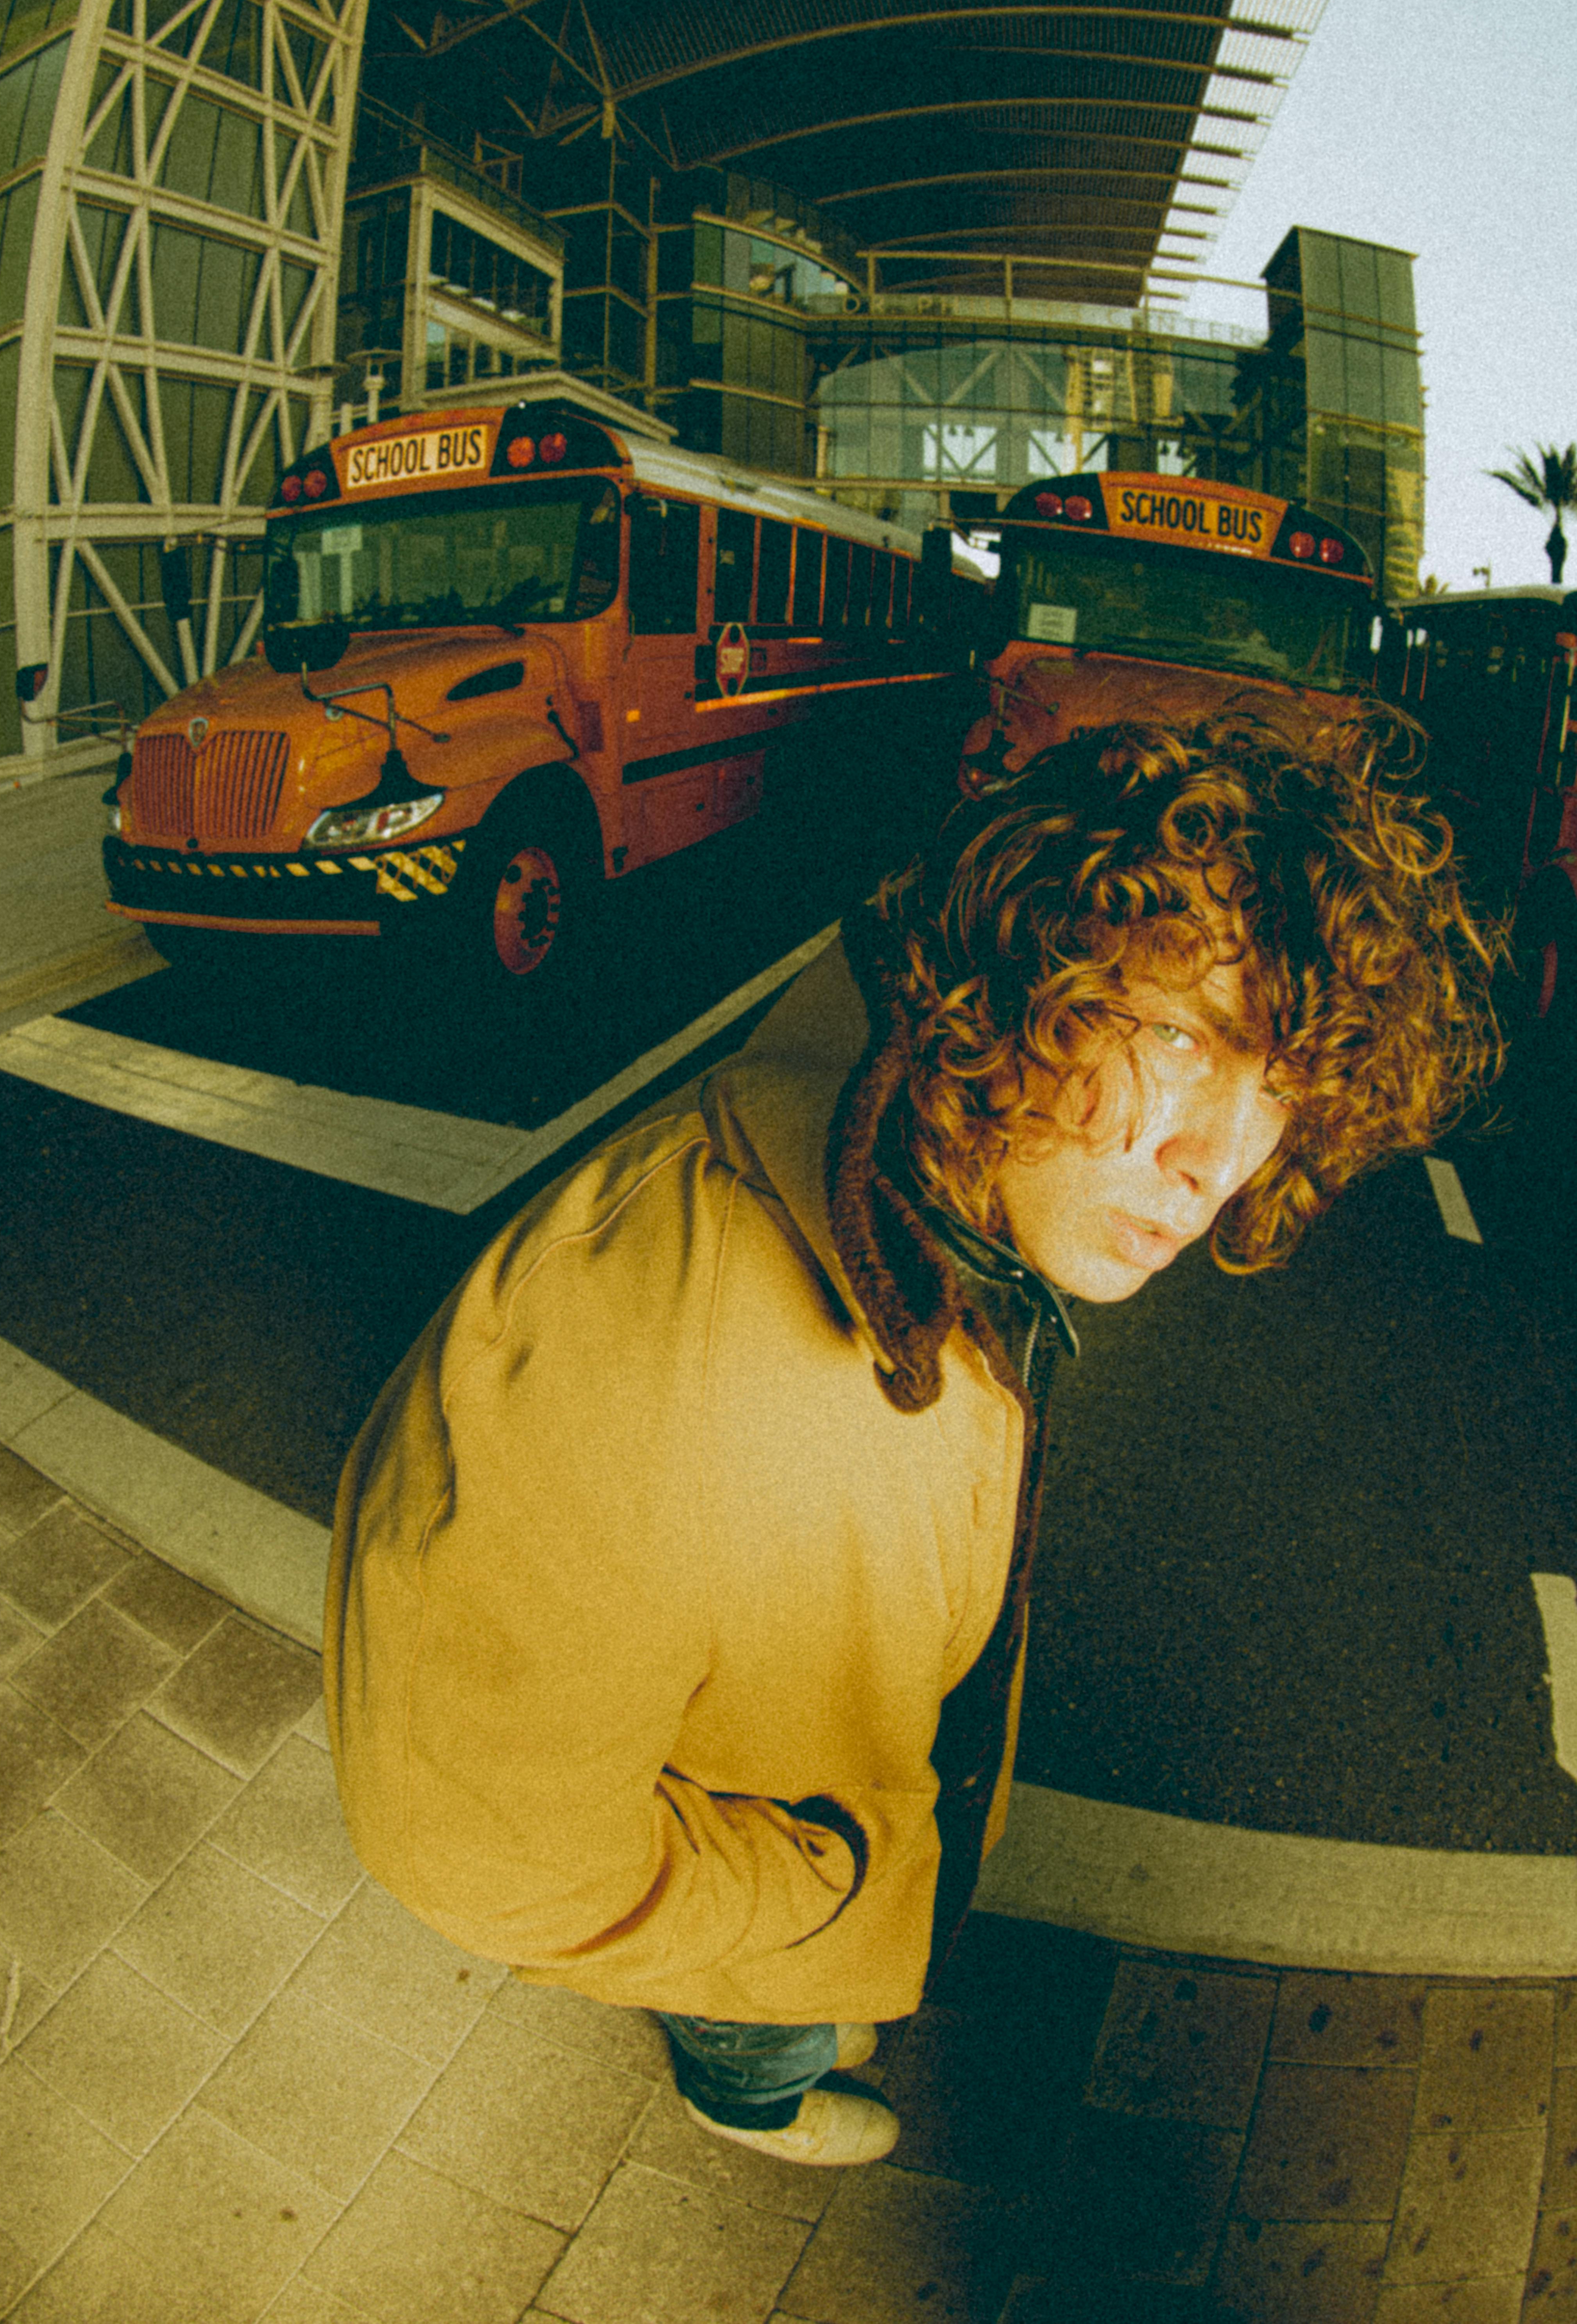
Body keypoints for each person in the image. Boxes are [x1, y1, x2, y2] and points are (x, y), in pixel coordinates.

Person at [324, 705, 1501, 2167]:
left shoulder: (945, 1185)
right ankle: (744, 2086)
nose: (1215, 1165)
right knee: (768, 2024)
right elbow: (478, 1850)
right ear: (1021, 974)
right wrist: (820, 1893)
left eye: (1278, 1088)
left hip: (814, 1834)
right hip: (762, 1888)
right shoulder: (662, 1369)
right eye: (1189, 1040)